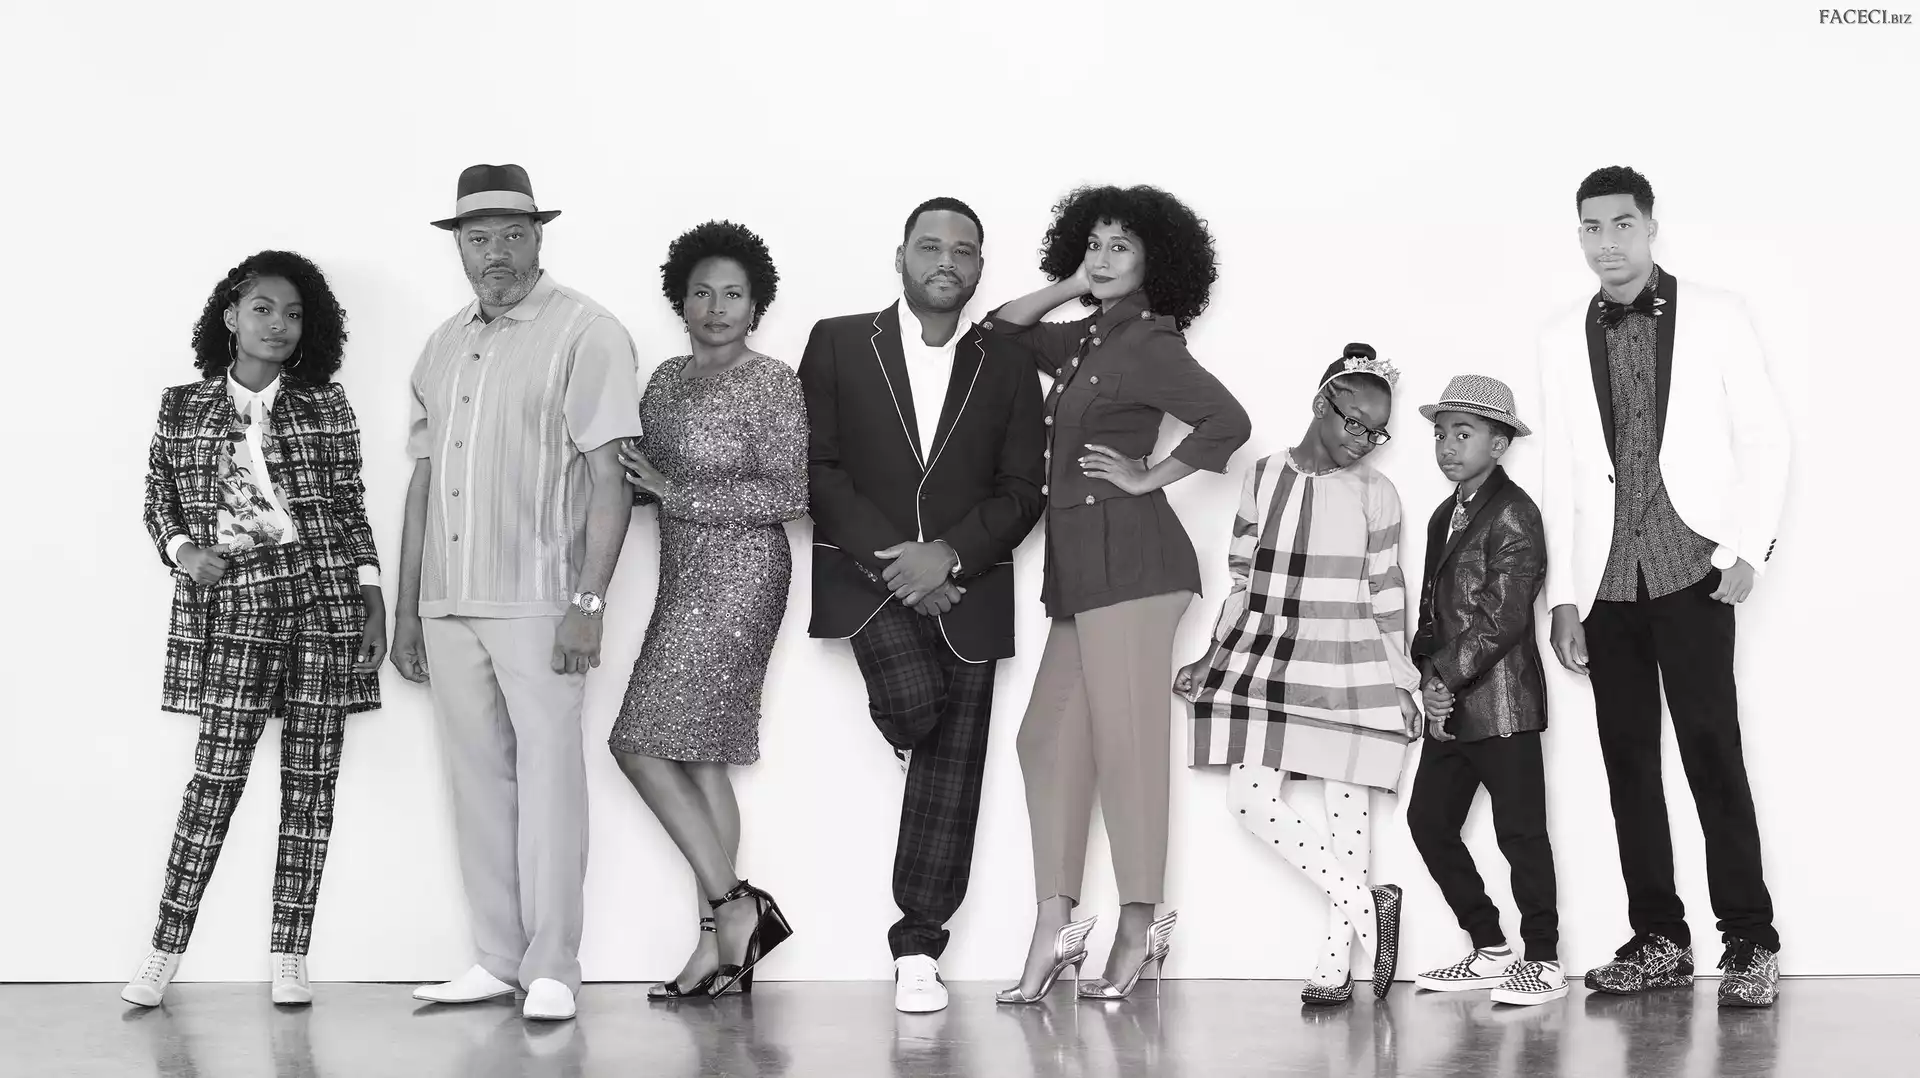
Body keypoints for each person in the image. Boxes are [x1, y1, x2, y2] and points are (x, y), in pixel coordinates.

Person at [986, 184, 1251, 1004]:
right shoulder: (1087, 338)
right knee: (1044, 739)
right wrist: (1074, 283)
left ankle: (1140, 922)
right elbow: (998, 333)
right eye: (1093, 243)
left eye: (1120, 247)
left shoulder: (1147, 343)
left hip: (1134, 566)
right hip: (1082, 570)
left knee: (1128, 746)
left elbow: (1228, 422)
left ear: (1154, 263)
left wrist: (1148, 476)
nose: (1101, 258)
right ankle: (1055, 927)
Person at [1537, 165, 1790, 1008]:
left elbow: (1764, 435)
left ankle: (1750, 940)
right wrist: (1563, 596)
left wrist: (1749, 548)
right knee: (1628, 765)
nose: (1606, 242)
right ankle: (1659, 940)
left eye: (1622, 224)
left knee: (1712, 752)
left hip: (1692, 568)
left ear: (1650, 227)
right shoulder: (1559, 334)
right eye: (1591, 227)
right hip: (1607, 580)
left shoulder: (1717, 312)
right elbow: (1561, 469)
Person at [395, 164, 643, 1022]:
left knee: (550, 783)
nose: (494, 253)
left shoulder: (587, 332)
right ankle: (497, 958)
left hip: (541, 599)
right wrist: (410, 607)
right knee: (474, 784)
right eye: (478, 238)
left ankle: (553, 966)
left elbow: (611, 479)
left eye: (511, 235)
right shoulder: (440, 344)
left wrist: (589, 602)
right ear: (459, 246)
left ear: (539, 237)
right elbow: (423, 484)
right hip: (448, 599)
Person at [799, 196, 1046, 1013]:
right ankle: (910, 738)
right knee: (914, 709)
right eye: (930, 246)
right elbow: (819, 468)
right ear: (900, 256)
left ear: (980, 267)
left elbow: (1024, 488)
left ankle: (918, 948)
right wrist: (905, 565)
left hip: (969, 585)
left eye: (963, 250)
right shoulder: (839, 341)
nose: (947, 260)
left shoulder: (1007, 362)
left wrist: (950, 554)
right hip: (865, 576)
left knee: (954, 773)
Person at [125, 251, 383, 1008]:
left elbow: (348, 504)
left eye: (293, 314)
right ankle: (162, 952)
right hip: (237, 603)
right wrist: (183, 550)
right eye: (263, 309)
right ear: (231, 316)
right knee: (216, 779)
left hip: (323, 603)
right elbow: (158, 496)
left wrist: (371, 596)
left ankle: (290, 955)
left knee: (311, 784)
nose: (279, 324)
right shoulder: (183, 406)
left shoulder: (325, 405)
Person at [1176, 344, 1419, 1006]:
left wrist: (1402, 682)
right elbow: (1242, 574)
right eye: (1355, 423)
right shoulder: (1263, 475)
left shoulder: (1378, 492)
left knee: (1347, 814)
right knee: (1249, 800)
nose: (1364, 440)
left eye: (1377, 431)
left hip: (1350, 658)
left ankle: (1335, 967)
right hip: (1268, 654)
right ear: (1321, 405)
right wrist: (1210, 653)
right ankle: (1370, 906)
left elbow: (1387, 589)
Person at [611, 221, 806, 999]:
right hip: (682, 573)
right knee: (697, 755)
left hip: (743, 576)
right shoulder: (664, 381)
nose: (717, 307)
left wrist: (675, 491)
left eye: (733, 295)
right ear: (680, 301)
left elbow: (789, 494)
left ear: (756, 306)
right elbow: (642, 481)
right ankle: (723, 946)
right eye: (702, 293)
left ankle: (736, 907)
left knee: (636, 743)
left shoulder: (771, 381)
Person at [1403, 376, 1563, 1006]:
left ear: (1499, 444)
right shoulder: (1443, 516)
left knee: (1520, 834)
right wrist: (1428, 678)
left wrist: (1443, 676)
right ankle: (1491, 948)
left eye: (1462, 434)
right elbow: (1429, 610)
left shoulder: (1516, 513)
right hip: (1451, 706)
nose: (1447, 446)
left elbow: (1505, 617)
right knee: (1428, 822)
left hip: (1503, 704)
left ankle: (1544, 960)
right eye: (1440, 434)